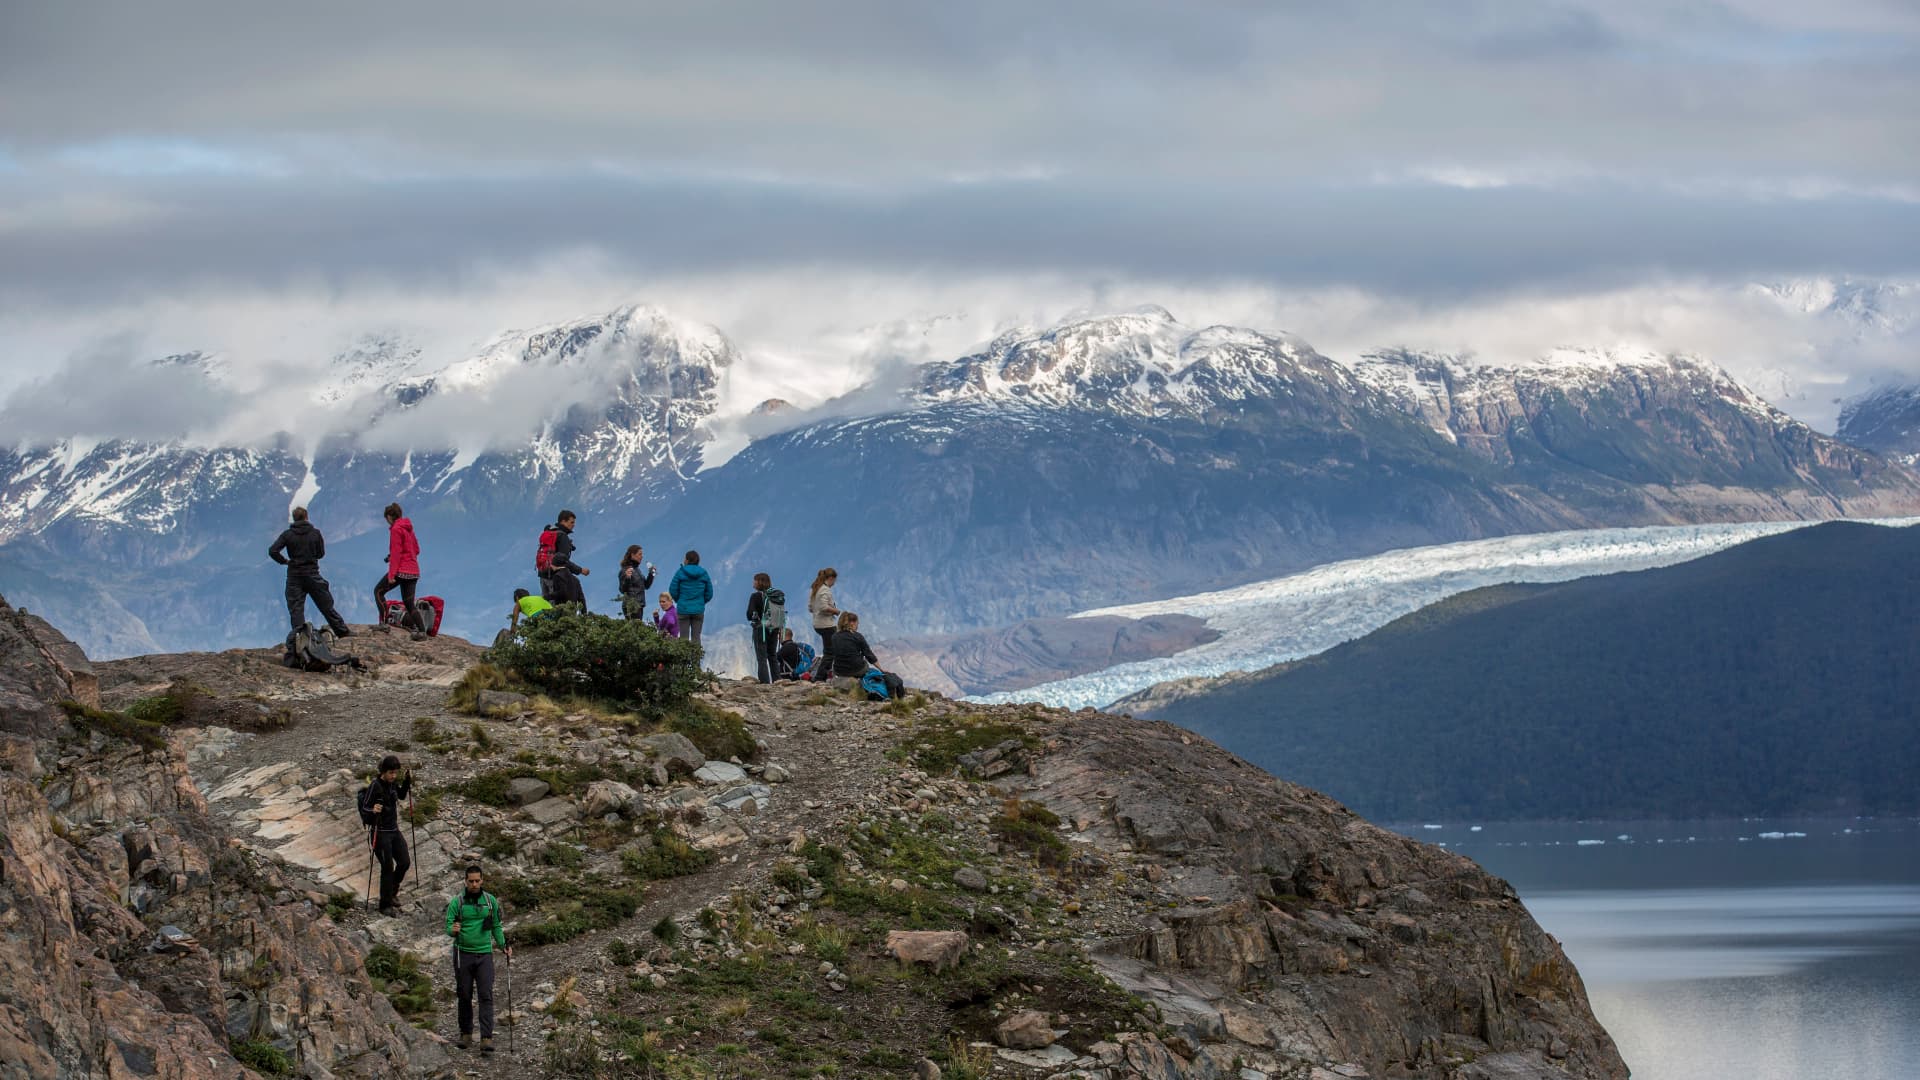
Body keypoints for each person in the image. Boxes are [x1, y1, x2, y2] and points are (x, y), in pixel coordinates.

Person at [269, 506, 352, 656]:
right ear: (306, 517)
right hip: (313, 574)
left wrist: (285, 561)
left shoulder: (287, 535)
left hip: (294, 576)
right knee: (326, 605)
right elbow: (321, 554)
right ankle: (342, 631)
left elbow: (272, 551)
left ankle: (300, 642)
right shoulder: (315, 533)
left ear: (294, 518)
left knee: (296, 610)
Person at [445, 864, 511, 1052]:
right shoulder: (457, 902)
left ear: (482, 880)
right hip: (462, 953)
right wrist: (452, 930)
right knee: (464, 994)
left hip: (484, 954)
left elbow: (496, 925)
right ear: (465, 881)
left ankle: (486, 1037)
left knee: (485, 994)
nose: (474, 884)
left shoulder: (490, 901)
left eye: (477, 881)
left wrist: (503, 945)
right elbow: (448, 926)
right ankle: (466, 1034)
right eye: (471, 881)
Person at [356, 755, 413, 916]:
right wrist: (373, 810)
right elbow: (365, 808)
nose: (394, 776)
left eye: (395, 772)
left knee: (404, 862)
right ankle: (385, 905)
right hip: (380, 833)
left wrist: (407, 781)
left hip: (394, 830)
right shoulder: (375, 785)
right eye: (391, 773)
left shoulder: (392, 783)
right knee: (387, 868)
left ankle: (392, 892)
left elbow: (401, 795)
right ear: (383, 772)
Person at [373, 502, 426, 640]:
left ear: (390, 516)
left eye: (386, 518)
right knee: (409, 603)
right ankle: (422, 632)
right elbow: (416, 550)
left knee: (378, 592)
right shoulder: (408, 528)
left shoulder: (396, 529)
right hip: (414, 571)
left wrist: (392, 575)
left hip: (401, 571)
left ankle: (384, 624)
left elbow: (397, 553)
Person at [539, 510, 590, 611]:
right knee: (557, 609)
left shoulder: (550, 533)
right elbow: (563, 560)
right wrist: (580, 570)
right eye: (571, 522)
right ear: (563, 521)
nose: (573, 525)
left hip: (543, 574)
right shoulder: (562, 536)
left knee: (547, 607)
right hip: (555, 577)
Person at [667, 550, 713, 645]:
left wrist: (679, 600)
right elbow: (709, 593)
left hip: (683, 609)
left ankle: (684, 655)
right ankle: (696, 655)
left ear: (687, 560)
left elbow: (672, 589)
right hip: (698, 610)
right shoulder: (704, 573)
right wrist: (701, 602)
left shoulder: (680, 572)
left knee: (683, 638)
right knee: (696, 637)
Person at [746, 572, 782, 684]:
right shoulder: (776, 595)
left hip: (760, 629)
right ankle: (777, 680)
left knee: (762, 658)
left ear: (759, 582)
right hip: (774, 629)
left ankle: (765, 683)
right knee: (772, 656)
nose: (753, 583)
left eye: (754, 581)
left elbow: (749, 615)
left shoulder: (755, 596)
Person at [826, 610, 879, 680]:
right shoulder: (857, 636)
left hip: (839, 671)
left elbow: (832, 654)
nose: (857, 626)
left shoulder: (834, 637)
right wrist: (882, 669)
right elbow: (869, 655)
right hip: (857, 670)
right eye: (857, 623)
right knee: (865, 664)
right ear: (852, 623)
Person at [808, 568, 840, 663]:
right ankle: (823, 671)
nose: (834, 584)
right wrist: (835, 611)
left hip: (817, 624)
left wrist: (817, 611)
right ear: (831, 578)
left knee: (828, 650)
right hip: (827, 625)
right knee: (831, 652)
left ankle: (827, 670)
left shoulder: (815, 589)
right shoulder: (825, 589)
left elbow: (810, 608)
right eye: (834, 581)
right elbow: (823, 607)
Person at [617, 545, 656, 621]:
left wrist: (651, 574)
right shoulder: (625, 570)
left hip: (639, 605)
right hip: (631, 604)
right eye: (640, 554)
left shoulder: (637, 570)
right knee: (635, 627)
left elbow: (646, 585)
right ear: (632, 555)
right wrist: (627, 578)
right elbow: (622, 590)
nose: (642, 556)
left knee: (637, 627)